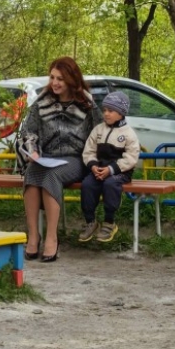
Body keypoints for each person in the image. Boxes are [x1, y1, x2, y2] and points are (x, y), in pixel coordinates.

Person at [16, 57, 102, 262]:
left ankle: (51, 238)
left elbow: (100, 134)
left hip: (76, 159)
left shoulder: (87, 104)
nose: (55, 82)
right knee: (32, 172)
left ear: (72, 80)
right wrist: (33, 152)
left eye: (60, 79)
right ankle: (34, 236)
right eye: (52, 77)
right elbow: (29, 131)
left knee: (51, 174)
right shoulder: (42, 102)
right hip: (47, 157)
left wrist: (96, 161)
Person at [78, 91, 140, 243]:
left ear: (121, 112)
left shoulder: (128, 134)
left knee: (111, 184)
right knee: (87, 184)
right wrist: (93, 166)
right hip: (98, 170)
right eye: (104, 110)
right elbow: (89, 151)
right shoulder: (98, 130)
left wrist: (111, 170)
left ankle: (109, 222)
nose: (106, 114)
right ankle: (90, 221)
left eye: (110, 111)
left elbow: (131, 157)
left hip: (120, 172)